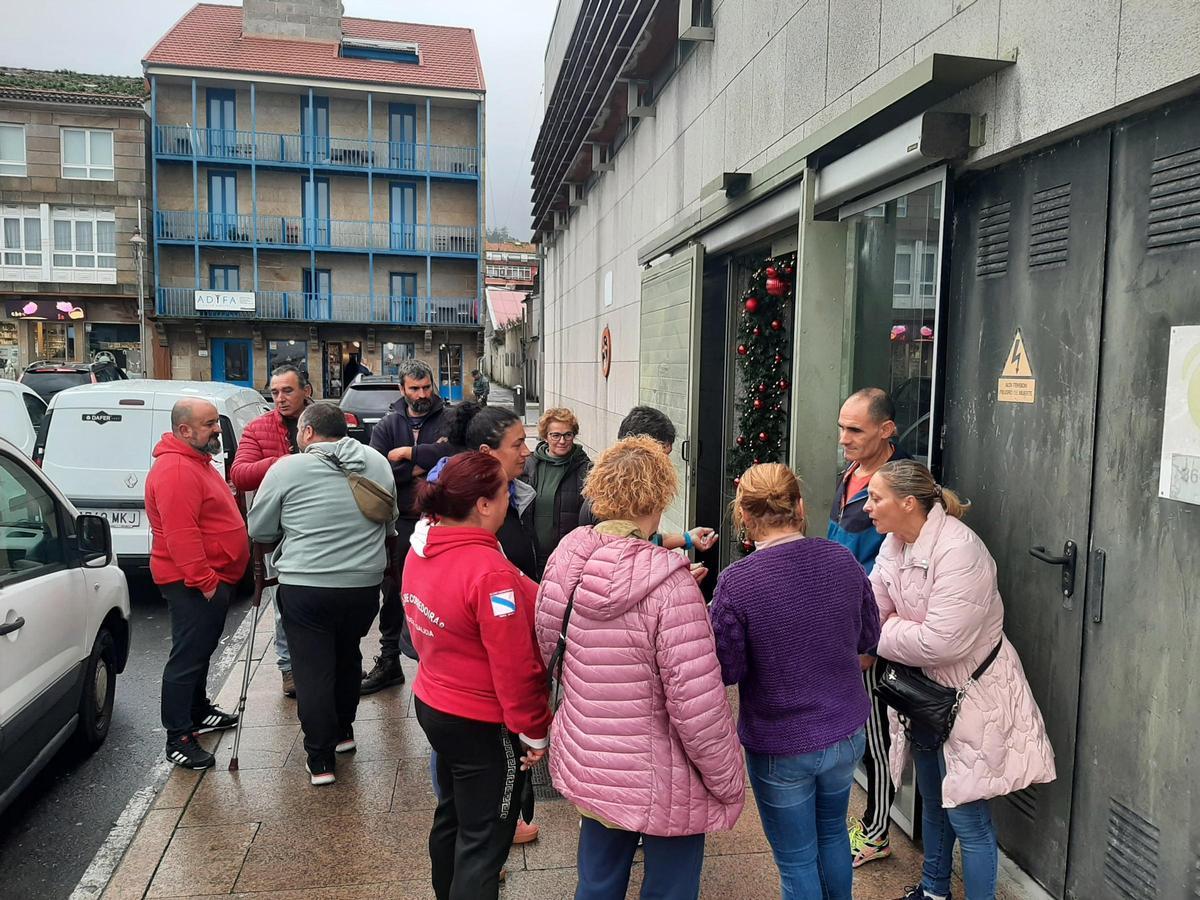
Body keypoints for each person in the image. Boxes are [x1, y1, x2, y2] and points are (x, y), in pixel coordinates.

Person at [535, 436, 744, 900]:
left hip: (591, 755)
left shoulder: (567, 556)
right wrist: (727, 779)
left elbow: (550, 646)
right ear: (662, 495)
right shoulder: (671, 585)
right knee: (670, 887)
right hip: (663, 773)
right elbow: (699, 708)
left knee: (597, 880)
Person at [865, 460, 1056, 900]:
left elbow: (941, 643)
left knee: (968, 818)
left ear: (908, 503)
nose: (868, 506)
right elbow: (869, 616)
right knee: (933, 803)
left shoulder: (960, 550)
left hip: (973, 699)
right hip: (928, 697)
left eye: (877, 498)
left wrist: (884, 634)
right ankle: (934, 891)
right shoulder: (894, 544)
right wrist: (886, 631)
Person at [711, 464, 879, 900]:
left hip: (780, 741)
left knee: (797, 861)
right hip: (844, 730)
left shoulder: (736, 582)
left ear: (744, 517)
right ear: (800, 507)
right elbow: (868, 637)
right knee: (833, 837)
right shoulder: (841, 560)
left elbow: (726, 667)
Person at [403, 452, 551, 900]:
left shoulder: (424, 546)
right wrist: (533, 730)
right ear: (484, 505)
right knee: (485, 841)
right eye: (506, 491)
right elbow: (514, 664)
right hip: (481, 720)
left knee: (453, 815)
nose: (511, 498)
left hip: (435, 699)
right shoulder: (488, 575)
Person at [247, 402, 397, 785]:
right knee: (348, 655)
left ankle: (321, 758)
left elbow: (260, 530)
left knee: (312, 669)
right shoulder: (377, 462)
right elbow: (389, 521)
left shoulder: (287, 468)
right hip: (362, 584)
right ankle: (344, 732)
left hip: (307, 586)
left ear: (309, 433)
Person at [827, 387, 908, 867]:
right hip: (843, 621)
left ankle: (877, 831)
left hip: (871, 632)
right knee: (860, 727)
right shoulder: (852, 473)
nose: (843, 438)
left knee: (877, 735)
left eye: (854, 429)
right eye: (842, 426)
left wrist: (872, 638)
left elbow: (898, 571)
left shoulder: (899, 486)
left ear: (886, 430)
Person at [145, 398, 249, 770]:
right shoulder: (175, 470)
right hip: (194, 582)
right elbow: (181, 535)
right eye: (209, 424)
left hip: (212, 578)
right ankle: (179, 736)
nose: (217, 429)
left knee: (200, 651)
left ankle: (198, 710)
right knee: (187, 658)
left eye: (216, 422)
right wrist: (205, 582)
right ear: (184, 430)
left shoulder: (195, 461)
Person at [363, 359, 455, 694]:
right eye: (414, 388)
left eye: (426, 387)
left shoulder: (449, 418)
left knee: (440, 596)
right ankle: (389, 660)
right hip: (400, 521)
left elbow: (455, 459)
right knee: (394, 590)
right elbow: (377, 470)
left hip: (441, 521)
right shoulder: (387, 424)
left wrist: (407, 453)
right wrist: (420, 466)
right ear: (402, 390)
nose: (422, 394)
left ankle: (439, 664)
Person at [230, 364, 313, 697]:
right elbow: (241, 473)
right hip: (279, 531)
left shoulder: (323, 421)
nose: (280, 398)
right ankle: (288, 668)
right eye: (274, 392)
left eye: (287, 391)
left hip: (319, 526)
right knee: (284, 602)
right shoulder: (258, 428)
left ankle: (325, 660)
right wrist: (281, 463)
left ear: (306, 390)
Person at [578, 405, 718, 576]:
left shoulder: (628, 494)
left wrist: (687, 539)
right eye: (661, 456)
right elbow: (622, 578)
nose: (665, 466)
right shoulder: (606, 507)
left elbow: (644, 540)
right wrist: (675, 582)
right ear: (639, 453)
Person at [520, 407, 591, 578]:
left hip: (568, 560)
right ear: (545, 436)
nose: (562, 441)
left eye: (568, 435)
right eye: (555, 435)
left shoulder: (586, 470)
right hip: (534, 557)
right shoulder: (528, 465)